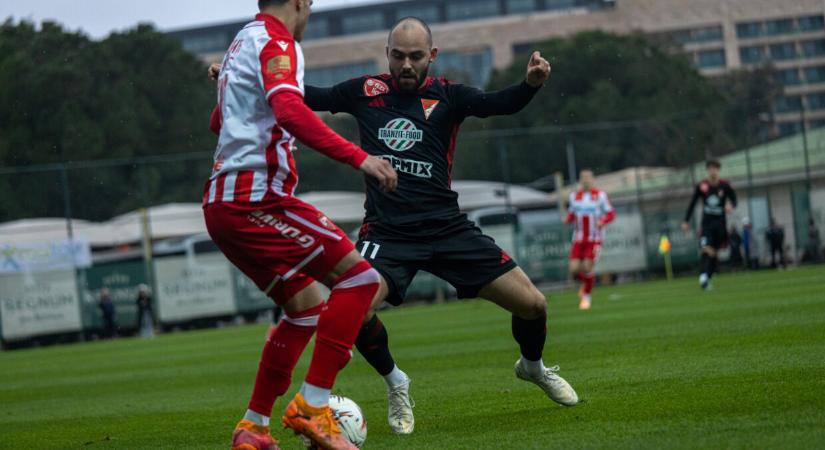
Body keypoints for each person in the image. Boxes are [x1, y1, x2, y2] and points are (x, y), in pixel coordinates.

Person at [213, 15, 579, 436]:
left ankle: (531, 367)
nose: (407, 65)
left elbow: (500, 102)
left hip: (447, 228)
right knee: (352, 307)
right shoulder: (364, 92)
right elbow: (301, 95)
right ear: (388, 54)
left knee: (533, 305)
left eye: (416, 57)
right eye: (399, 56)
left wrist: (530, 84)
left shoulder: (450, 96)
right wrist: (237, 76)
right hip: (387, 234)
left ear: (432, 56)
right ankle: (395, 382)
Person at [204, 1, 398, 449]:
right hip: (256, 200)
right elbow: (290, 111)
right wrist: (360, 157)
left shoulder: (240, 44)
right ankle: (313, 407)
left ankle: (253, 429)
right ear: (298, 1)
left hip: (222, 203)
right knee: (360, 279)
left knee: (307, 308)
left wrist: (229, 91)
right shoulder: (277, 41)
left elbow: (219, 122)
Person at [682, 159, 737, 290]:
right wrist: (686, 220)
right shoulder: (702, 186)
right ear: (707, 170)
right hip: (707, 224)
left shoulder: (725, 185)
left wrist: (731, 205)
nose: (713, 171)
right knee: (706, 248)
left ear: (719, 170)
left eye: (715, 168)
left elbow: (734, 199)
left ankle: (707, 278)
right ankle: (703, 276)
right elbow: (693, 203)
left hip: (720, 225)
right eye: (710, 168)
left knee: (714, 253)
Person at [564, 169, 615, 310]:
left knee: (587, 267)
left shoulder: (600, 196)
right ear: (580, 180)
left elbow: (611, 214)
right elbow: (571, 215)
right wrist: (567, 219)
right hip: (578, 239)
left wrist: (602, 221)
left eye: (588, 178)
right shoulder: (574, 196)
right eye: (583, 178)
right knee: (574, 269)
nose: (586, 180)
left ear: (593, 180)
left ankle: (586, 297)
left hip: (595, 239)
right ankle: (585, 284)